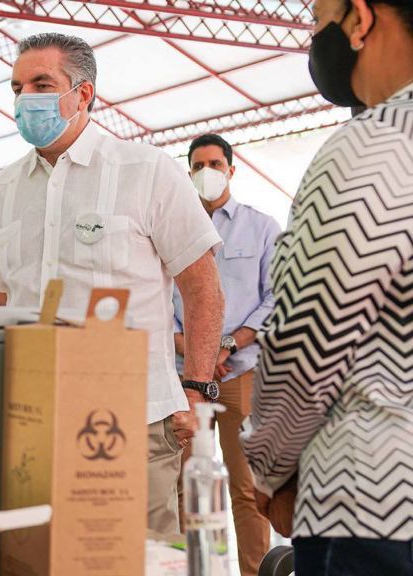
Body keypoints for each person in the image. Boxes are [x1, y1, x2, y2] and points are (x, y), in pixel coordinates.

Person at [0, 32, 224, 535]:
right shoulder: (2, 190)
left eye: (42, 84)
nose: (25, 99)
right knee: (41, 554)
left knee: (140, 556)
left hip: (135, 417)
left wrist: (194, 389)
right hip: (32, 416)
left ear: (83, 94)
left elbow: (203, 289)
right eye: (17, 87)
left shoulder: (147, 171)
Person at [241, 0, 413, 572]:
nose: (316, 40)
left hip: (375, 502)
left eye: (318, 22)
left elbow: (306, 338)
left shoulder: (378, 144)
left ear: (360, 19)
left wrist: (268, 471)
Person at [171, 134, 278, 576]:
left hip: (241, 374)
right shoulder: (172, 225)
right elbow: (160, 301)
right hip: (183, 376)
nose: (206, 173)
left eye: (214, 164)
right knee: (182, 486)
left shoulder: (262, 227)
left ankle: (256, 570)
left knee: (247, 487)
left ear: (232, 169)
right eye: (197, 166)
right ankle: (187, 569)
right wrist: (195, 350)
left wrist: (227, 344)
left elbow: (276, 297)